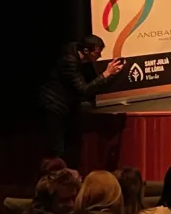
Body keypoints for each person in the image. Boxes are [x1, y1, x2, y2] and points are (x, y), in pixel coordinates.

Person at [39, 35, 124, 163]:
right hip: (54, 107)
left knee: (73, 145)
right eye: (97, 52)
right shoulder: (69, 61)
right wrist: (106, 74)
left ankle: (68, 176)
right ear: (85, 51)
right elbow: (84, 90)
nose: (99, 56)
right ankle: (53, 179)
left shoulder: (83, 61)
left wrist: (111, 74)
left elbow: (94, 87)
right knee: (57, 149)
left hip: (67, 107)